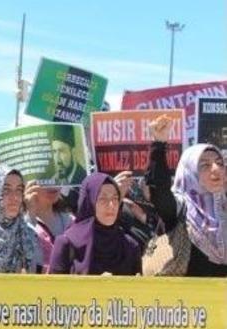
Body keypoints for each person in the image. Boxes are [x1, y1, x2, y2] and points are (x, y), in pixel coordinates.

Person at [146, 114, 227, 277]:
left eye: (219, 163)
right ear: (190, 173)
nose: (216, 169)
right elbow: (159, 191)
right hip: (188, 300)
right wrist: (158, 145)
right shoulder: (180, 208)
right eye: (204, 165)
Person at [49, 173, 141, 275]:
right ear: (90, 203)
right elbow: (53, 289)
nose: (111, 205)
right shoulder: (67, 244)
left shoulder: (130, 246)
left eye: (115, 198)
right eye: (103, 199)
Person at [25, 183, 74, 272]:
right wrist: (30, 216)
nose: (52, 185)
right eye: (45, 180)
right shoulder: (18, 223)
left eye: (56, 179)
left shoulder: (70, 221)